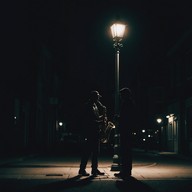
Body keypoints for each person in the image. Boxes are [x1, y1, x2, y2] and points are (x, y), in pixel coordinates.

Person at [78, 90, 105, 176]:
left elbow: (95, 117)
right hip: (90, 132)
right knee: (87, 152)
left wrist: (102, 117)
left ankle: (94, 169)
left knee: (96, 152)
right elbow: (89, 120)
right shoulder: (88, 106)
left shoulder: (94, 105)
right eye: (97, 97)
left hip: (95, 131)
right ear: (94, 97)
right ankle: (82, 169)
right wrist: (100, 122)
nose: (98, 99)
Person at [114, 87, 136, 180]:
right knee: (126, 152)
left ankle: (125, 171)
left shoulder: (127, 103)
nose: (120, 96)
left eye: (122, 95)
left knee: (125, 151)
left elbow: (126, 118)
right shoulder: (129, 103)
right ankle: (126, 171)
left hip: (125, 130)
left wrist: (118, 118)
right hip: (127, 130)